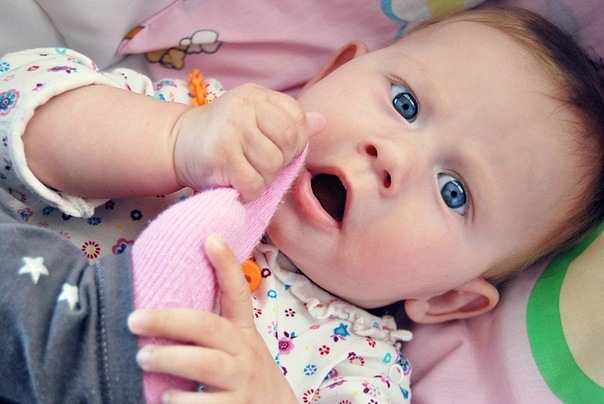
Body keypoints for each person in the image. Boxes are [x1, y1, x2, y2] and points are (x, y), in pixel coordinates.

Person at [1, 6, 602, 403]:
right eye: (406, 104)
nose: (393, 157)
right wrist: (171, 141)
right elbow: (18, 105)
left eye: (454, 192)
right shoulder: (197, 116)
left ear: (447, 298)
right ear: (332, 73)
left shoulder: (358, 370)